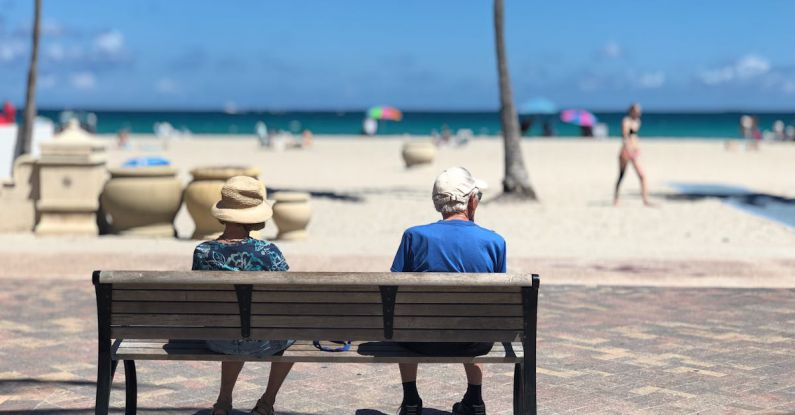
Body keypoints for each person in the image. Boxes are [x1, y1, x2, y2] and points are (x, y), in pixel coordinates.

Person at [390, 167, 506, 415]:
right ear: (472, 201)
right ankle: (475, 399)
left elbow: (394, 289)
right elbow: (498, 301)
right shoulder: (495, 242)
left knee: (404, 318)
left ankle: (411, 400)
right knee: (476, 316)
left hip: (419, 341)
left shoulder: (414, 236)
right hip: (474, 343)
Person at [192, 176, 293, 415]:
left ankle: (223, 402)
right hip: (264, 341)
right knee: (295, 331)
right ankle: (267, 402)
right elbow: (286, 297)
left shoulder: (203, 252)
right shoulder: (269, 252)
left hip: (218, 339)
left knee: (233, 322)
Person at [613, 103, 652, 206]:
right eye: (636, 110)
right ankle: (616, 199)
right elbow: (625, 137)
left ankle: (645, 200)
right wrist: (629, 150)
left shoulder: (637, 122)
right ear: (631, 111)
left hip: (634, 152)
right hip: (626, 152)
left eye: (639, 111)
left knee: (642, 176)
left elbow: (634, 137)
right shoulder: (626, 121)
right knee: (621, 175)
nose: (638, 112)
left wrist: (636, 149)